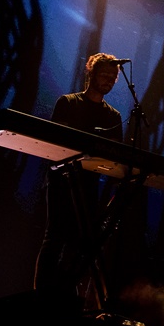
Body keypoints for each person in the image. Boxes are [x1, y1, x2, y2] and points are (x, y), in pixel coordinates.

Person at [34, 52, 126, 311]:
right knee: (54, 237)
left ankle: (64, 296)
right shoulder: (69, 103)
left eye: (112, 77)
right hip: (61, 179)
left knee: (78, 244)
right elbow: (55, 144)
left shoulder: (113, 116)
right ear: (91, 74)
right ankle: (40, 297)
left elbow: (114, 156)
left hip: (89, 185)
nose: (108, 80)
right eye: (104, 75)